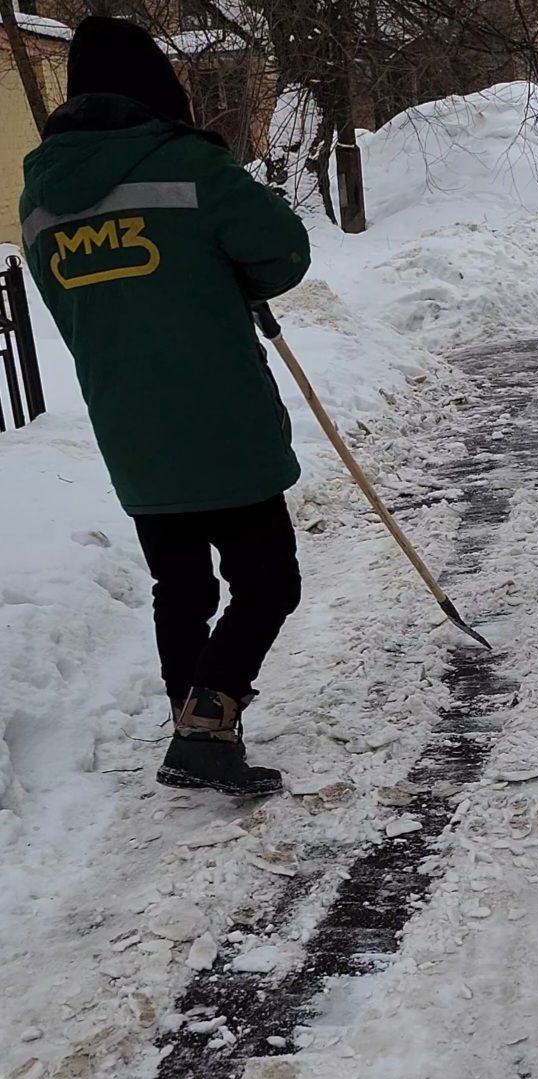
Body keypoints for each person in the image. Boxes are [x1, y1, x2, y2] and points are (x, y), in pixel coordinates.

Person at [20, 17, 311, 798]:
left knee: (180, 588)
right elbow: (283, 250)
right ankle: (206, 726)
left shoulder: (39, 197)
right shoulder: (187, 165)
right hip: (221, 420)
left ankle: (194, 726)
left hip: (130, 427)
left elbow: (71, 302)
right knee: (268, 581)